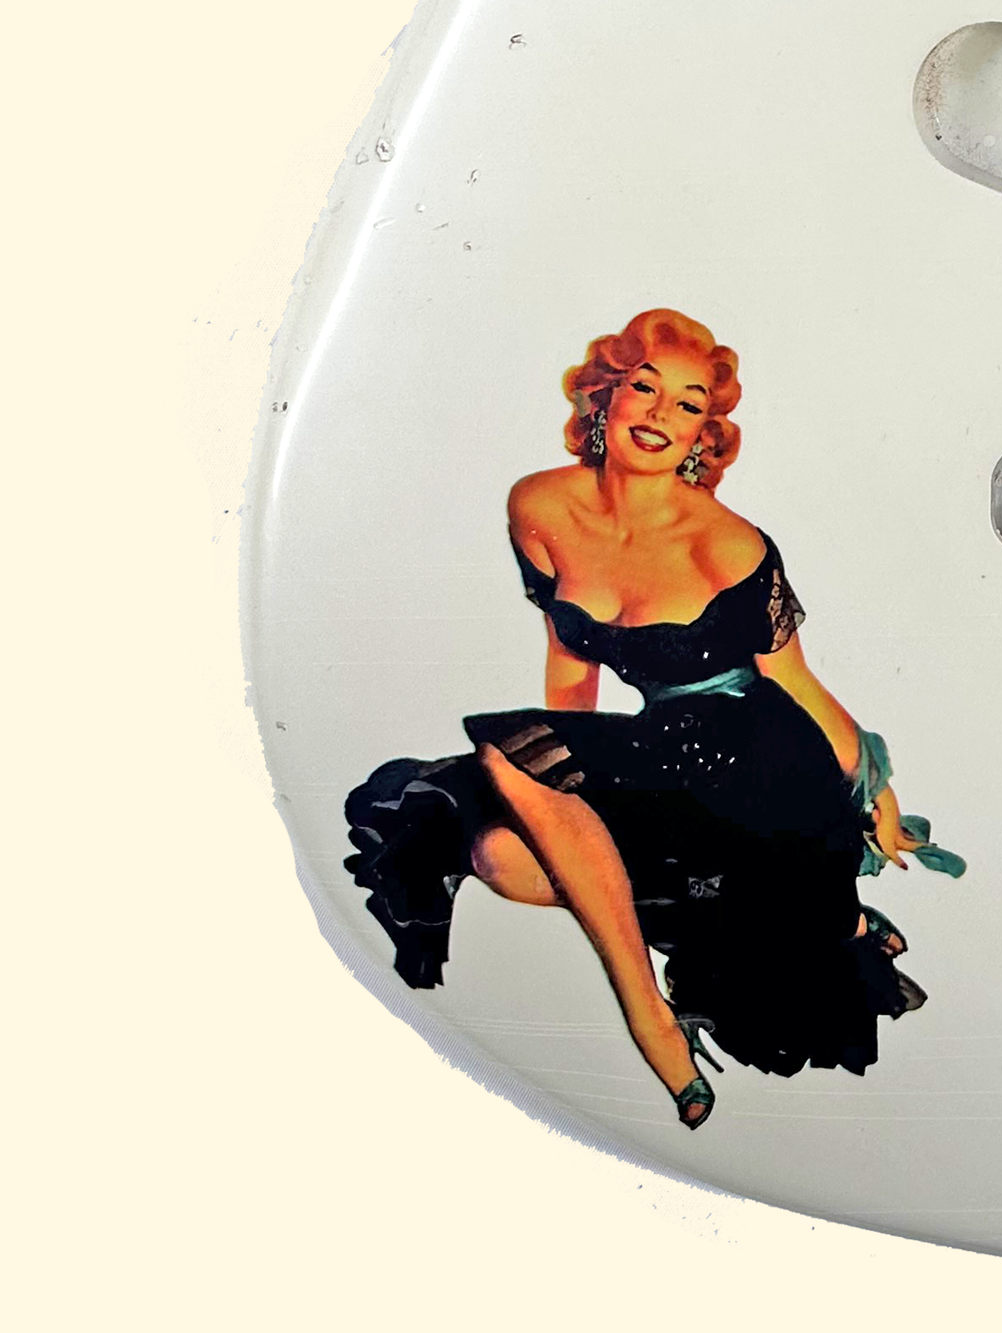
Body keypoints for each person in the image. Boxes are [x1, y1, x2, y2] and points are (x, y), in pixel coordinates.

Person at [343, 306, 961, 1126]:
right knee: (500, 855)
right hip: (659, 746)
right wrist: (563, 784)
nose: (661, 414)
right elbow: (570, 656)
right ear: (604, 395)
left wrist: (872, 783)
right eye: (645, 387)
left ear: (706, 434)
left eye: (689, 403)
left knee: (505, 764)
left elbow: (798, 684)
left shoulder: (731, 544)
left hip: (762, 764)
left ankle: (655, 1013)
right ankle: (788, 908)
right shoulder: (539, 505)